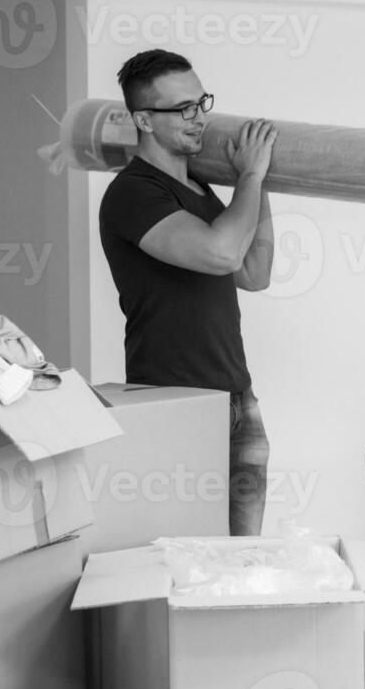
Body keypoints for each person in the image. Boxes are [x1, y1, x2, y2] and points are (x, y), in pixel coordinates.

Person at [99, 49, 278, 536]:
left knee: (243, 558)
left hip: (238, 399)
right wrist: (252, 176)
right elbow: (220, 253)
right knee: (189, 558)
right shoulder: (134, 193)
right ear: (143, 120)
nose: (197, 117)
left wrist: (259, 186)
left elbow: (254, 271)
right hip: (175, 403)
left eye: (201, 103)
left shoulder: (200, 189)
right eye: (182, 109)